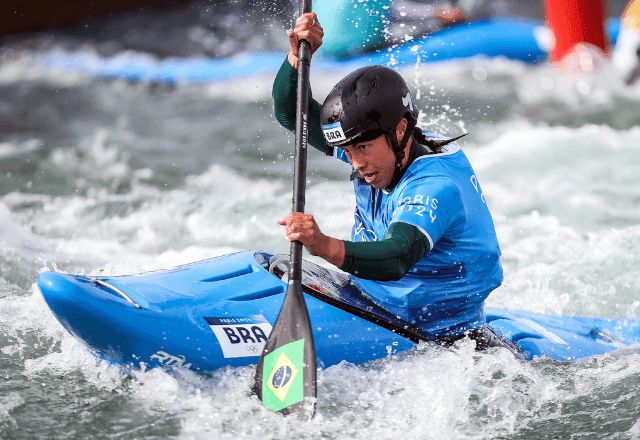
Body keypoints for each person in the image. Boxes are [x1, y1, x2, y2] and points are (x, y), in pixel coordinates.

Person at [275, 13, 522, 357]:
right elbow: (293, 114)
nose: (356, 163)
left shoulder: (435, 187)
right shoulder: (383, 148)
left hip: (445, 339)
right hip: (370, 305)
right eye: (347, 149)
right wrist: (299, 56)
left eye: (361, 147)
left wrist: (322, 244)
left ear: (401, 130)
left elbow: (397, 257)